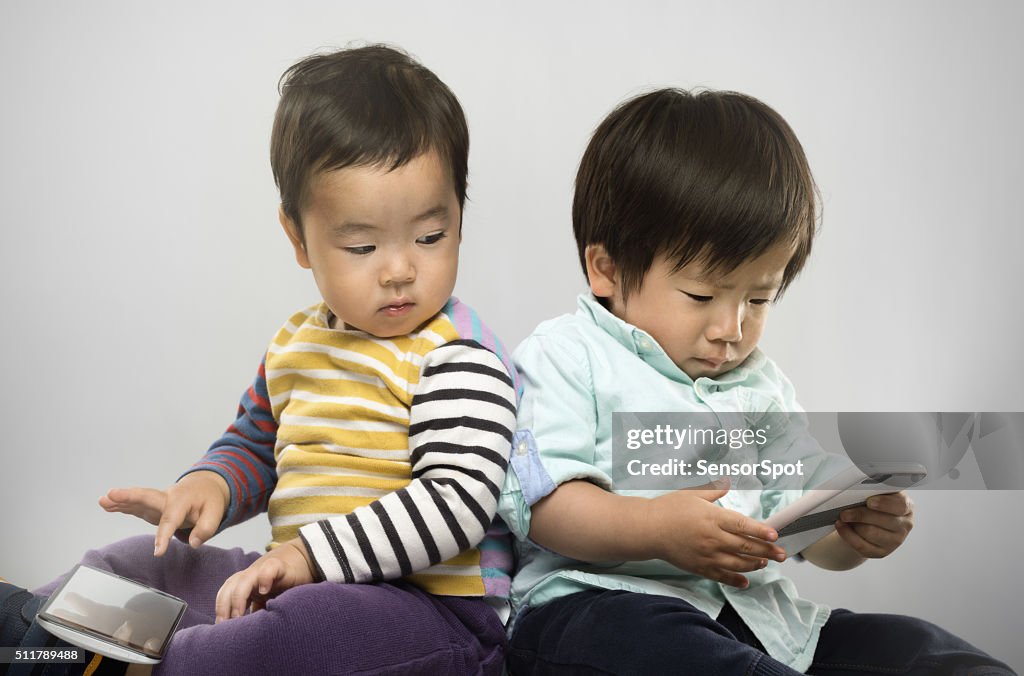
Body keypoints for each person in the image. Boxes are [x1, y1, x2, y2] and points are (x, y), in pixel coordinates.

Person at [1, 44, 518, 676]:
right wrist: (209, 484)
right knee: (137, 563)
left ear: (460, 218)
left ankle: (128, 662)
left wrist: (308, 558)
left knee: (291, 640)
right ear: (298, 238)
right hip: (290, 578)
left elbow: (456, 503)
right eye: (361, 245)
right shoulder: (298, 344)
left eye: (431, 237)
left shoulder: (458, 354)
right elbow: (255, 445)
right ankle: (35, 635)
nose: (401, 269)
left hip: (428, 612)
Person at [496, 88, 1014, 675]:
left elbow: (798, 533)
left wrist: (850, 531)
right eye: (702, 295)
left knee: (921, 649)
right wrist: (657, 529)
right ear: (607, 269)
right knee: (662, 645)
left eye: (760, 297)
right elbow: (542, 506)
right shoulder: (568, 354)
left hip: (758, 619)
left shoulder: (760, 387)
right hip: (597, 610)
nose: (731, 328)